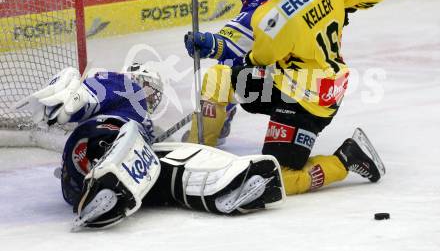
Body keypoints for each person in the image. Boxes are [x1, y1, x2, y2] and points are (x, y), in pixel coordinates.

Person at [196, 0, 387, 195]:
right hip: (290, 83)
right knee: (220, 77)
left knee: (278, 178)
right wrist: (342, 5)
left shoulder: (272, 17)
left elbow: (260, 58)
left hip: (309, 104)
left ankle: (347, 159)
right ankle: (200, 150)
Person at [22, 64, 285, 229]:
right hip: (94, 144)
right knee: (133, 136)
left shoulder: (147, 125)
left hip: (82, 188)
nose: (148, 96)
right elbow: (92, 94)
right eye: (148, 87)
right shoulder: (124, 86)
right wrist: (75, 100)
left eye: (153, 94)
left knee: (171, 166)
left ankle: (227, 185)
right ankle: (105, 182)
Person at [180, 0, 277, 146]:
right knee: (230, 62)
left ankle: (221, 111)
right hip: (256, 13)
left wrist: (215, 42)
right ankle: (222, 111)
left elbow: (253, 26)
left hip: (284, 38)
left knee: (235, 62)